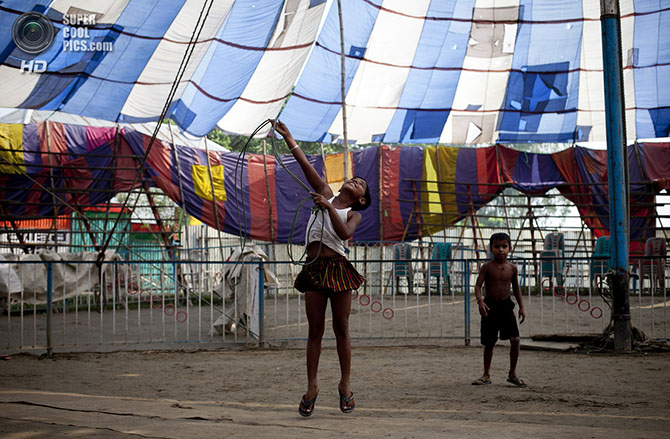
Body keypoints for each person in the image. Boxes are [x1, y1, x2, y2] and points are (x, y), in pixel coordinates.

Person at [271, 120, 371, 417]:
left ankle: (345, 384)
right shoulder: (325, 191)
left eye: (360, 184)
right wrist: (290, 137)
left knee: (341, 328)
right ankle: (312, 386)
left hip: (338, 268)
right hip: (314, 267)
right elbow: (304, 166)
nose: (354, 180)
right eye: (353, 178)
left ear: (361, 198)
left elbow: (344, 235)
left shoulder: (352, 214)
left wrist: (328, 208)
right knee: (315, 330)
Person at [472, 232, 527, 387]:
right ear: (491, 248)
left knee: (515, 340)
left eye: (504, 246)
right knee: (489, 343)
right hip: (489, 307)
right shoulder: (487, 267)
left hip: (506, 307)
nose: (500, 250)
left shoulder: (512, 268)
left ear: (509, 248)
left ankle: (512, 373)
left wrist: (522, 307)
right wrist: (480, 301)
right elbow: (478, 285)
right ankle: (486, 374)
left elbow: (516, 289)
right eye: (497, 246)